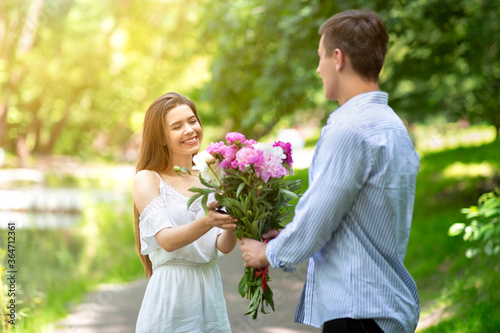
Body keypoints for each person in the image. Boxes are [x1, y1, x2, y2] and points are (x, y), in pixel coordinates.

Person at [239, 10, 420, 333]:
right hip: (384, 307)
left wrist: (267, 253)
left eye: (320, 57)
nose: (318, 68)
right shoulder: (392, 126)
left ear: (338, 58)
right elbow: (357, 218)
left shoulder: (348, 129)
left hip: (358, 311)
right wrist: (289, 236)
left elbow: (317, 218)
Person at [133, 92, 238, 332]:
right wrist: (208, 221)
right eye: (177, 126)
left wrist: (236, 218)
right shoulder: (148, 179)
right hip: (172, 295)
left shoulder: (211, 174)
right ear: (161, 138)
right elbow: (167, 240)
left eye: (192, 121)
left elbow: (223, 245)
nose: (190, 130)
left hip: (209, 290)